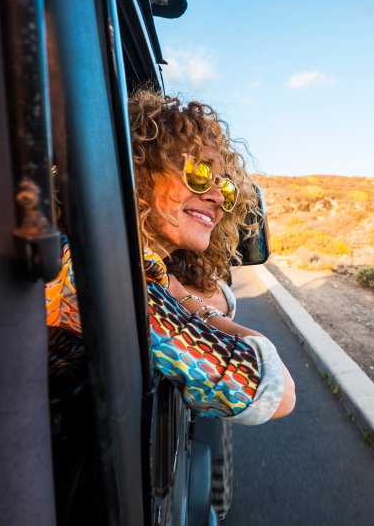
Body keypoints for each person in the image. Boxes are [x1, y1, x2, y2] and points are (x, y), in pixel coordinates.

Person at [46, 89, 295, 422]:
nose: (217, 198)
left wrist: (184, 295)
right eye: (200, 173)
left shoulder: (128, 261)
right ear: (138, 170)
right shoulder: (102, 277)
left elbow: (220, 298)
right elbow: (274, 391)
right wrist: (187, 302)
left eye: (225, 187)